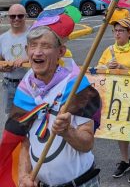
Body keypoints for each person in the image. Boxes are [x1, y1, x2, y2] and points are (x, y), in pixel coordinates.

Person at [11, 13, 101, 187]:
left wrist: (68, 132)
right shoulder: (25, 89)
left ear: (61, 51)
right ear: (27, 50)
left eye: (45, 46)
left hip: (81, 183)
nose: (37, 52)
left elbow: (87, 143)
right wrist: (23, 175)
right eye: (33, 46)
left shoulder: (77, 86)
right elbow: (25, 140)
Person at [98, 18, 130, 183]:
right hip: (115, 96)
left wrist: (123, 68)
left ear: (129, 33)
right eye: (116, 30)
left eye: (121, 30)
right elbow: (98, 69)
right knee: (120, 130)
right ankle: (125, 160)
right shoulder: (109, 50)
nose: (117, 33)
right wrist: (106, 68)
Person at [0, 4, 29, 114]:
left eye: (20, 16)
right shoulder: (2, 39)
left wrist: (25, 60)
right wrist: (3, 68)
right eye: (13, 16)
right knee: (10, 121)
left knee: (29, 118)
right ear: (8, 17)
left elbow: (43, 56)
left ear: (25, 16)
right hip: (8, 85)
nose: (16, 19)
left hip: (29, 85)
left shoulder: (33, 36)